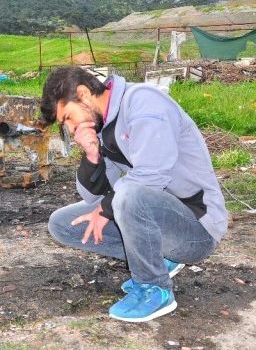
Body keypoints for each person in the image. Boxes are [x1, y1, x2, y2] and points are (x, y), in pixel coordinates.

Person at [41, 66, 227, 322]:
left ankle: (154, 288)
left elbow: (152, 175)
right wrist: (92, 156)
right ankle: (160, 260)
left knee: (129, 195)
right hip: (158, 219)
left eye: (69, 118)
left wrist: (105, 209)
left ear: (83, 94)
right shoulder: (105, 126)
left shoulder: (143, 102)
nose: (72, 129)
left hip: (197, 227)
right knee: (63, 224)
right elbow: (94, 198)